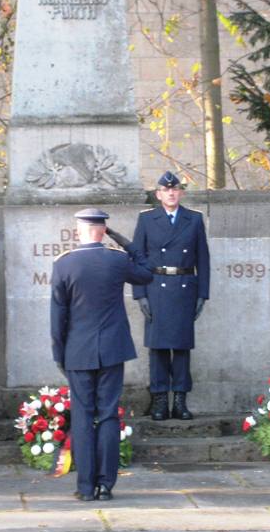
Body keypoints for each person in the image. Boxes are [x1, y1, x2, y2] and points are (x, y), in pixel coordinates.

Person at [51, 208, 153, 501]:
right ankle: (106, 485)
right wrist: (124, 242)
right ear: (103, 230)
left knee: (82, 417)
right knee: (108, 414)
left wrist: (59, 353)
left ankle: (85, 487)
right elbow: (147, 271)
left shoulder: (64, 264)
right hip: (112, 348)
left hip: (78, 351)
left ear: (79, 231)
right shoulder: (117, 260)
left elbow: (57, 315)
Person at [131, 170, 210, 421]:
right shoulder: (146, 219)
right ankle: (160, 400)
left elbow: (203, 259)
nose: (171, 193)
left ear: (181, 193)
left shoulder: (194, 219)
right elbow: (137, 258)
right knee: (158, 348)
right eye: (166, 190)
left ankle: (180, 401)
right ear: (158, 194)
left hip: (185, 287)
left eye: (175, 189)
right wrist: (140, 294)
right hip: (155, 287)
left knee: (182, 348)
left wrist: (203, 294)